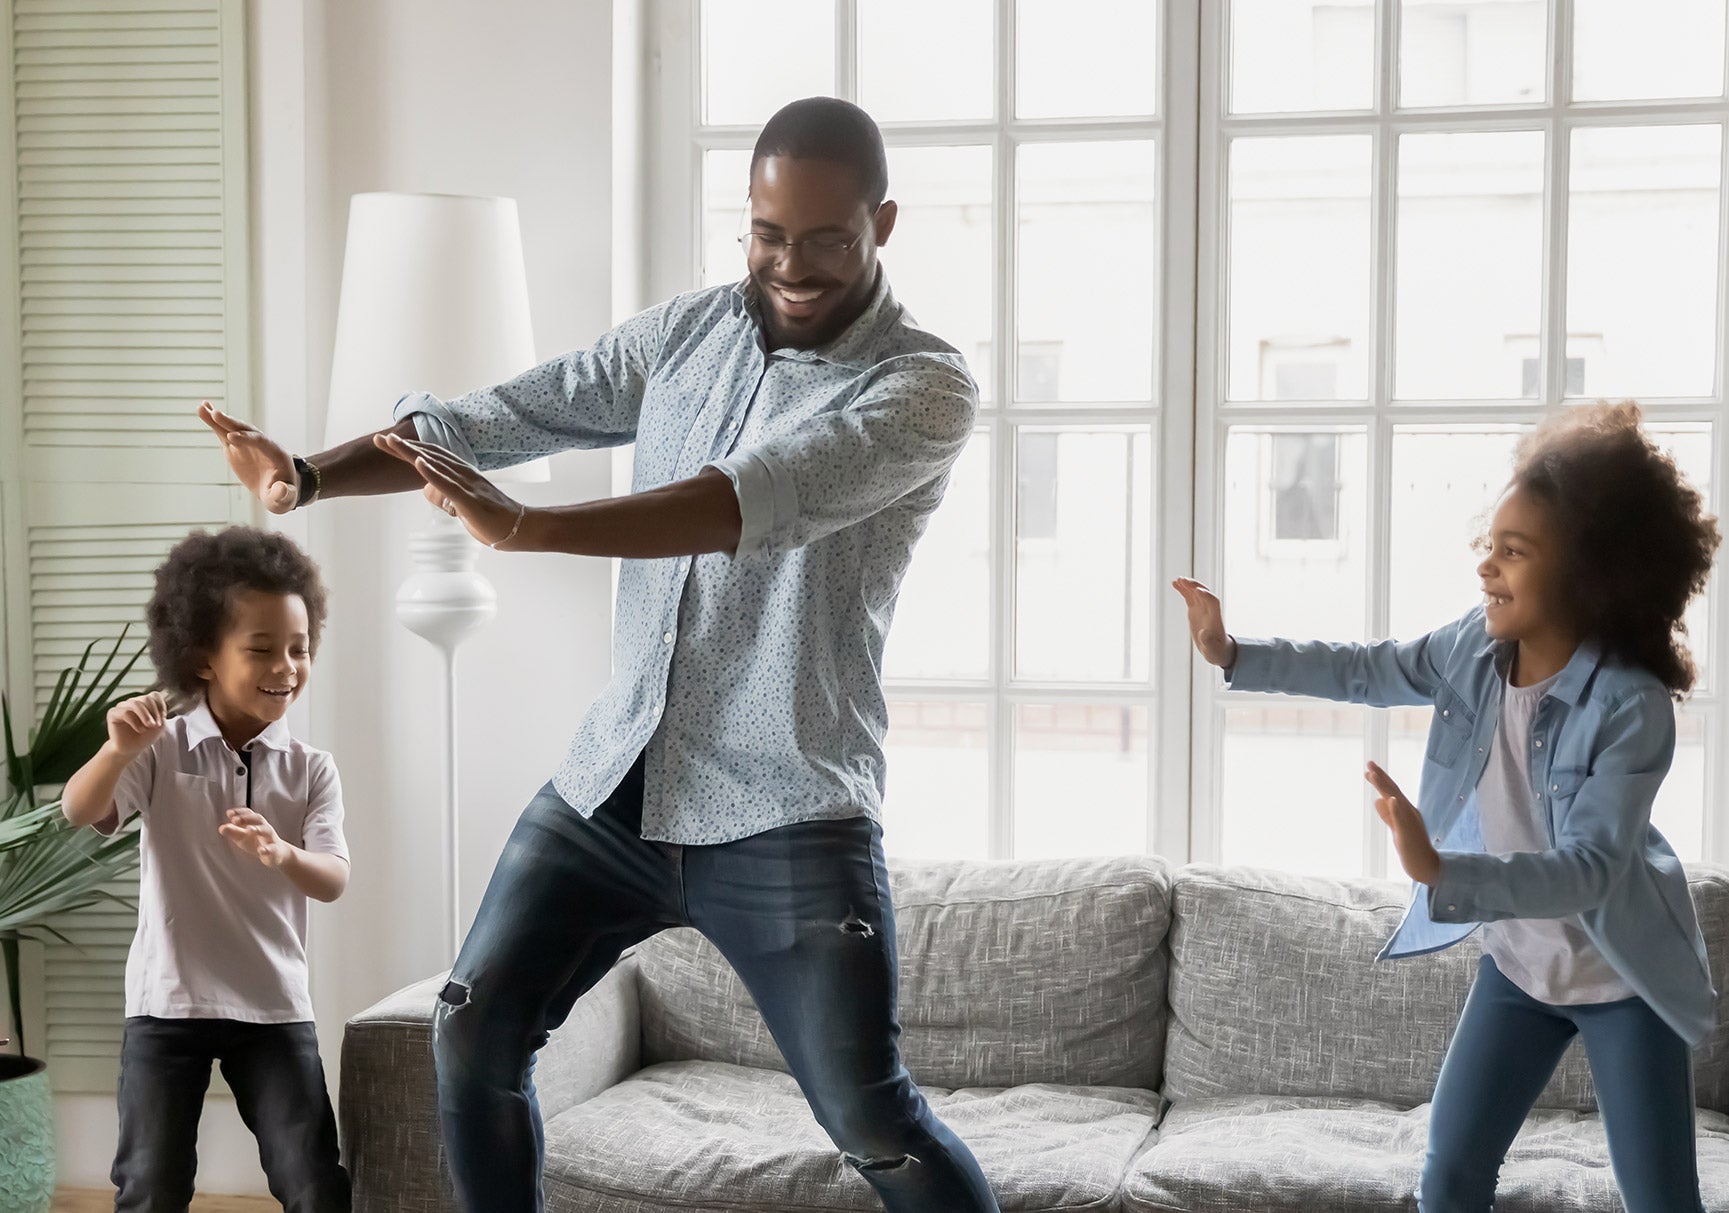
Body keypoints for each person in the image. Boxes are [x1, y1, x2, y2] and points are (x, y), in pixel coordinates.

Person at [198, 97, 997, 1213]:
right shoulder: (687, 333)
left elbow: (744, 500)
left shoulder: (921, 387)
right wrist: (312, 474)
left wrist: (533, 529)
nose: (793, 264)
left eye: (826, 238)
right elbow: (494, 421)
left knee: (872, 1120)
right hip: (615, 782)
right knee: (473, 1030)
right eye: (770, 236)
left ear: (883, 223)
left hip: (786, 803)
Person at [1174, 401, 1719, 1212]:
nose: (1485, 567)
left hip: (1621, 978)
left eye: (1512, 551)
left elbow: (1592, 869)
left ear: (1585, 570)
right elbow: (1367, 669)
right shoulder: (1472, 647)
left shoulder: (1629, 706)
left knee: (1661, 1199)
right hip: (1518, 969)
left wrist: (1441, 869)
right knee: (1451, 1176)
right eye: (1486, 546)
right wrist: (1233, 653)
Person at [61, 527, 351, 1213]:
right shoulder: (159, 748)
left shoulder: (311, 768)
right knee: (151, 1185)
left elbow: (334, 877)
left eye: (299, 647)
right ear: (200, 657)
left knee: (313, 1180)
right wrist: (114, 750)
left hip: (275, 1003)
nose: (286, 665)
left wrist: (282, 853)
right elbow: (79, 808)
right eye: (260, 648)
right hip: (169, 1002)